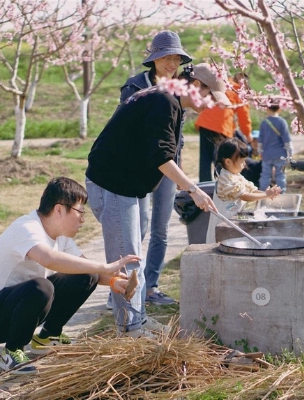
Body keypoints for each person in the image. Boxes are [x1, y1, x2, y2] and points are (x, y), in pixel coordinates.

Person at [86, 63, 228, 338]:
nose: (211, 105)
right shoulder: (164, 101)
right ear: (196, 86)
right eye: (211, 97)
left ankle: (136, 319)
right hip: (113, 183)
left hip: (128, 186)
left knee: (132, 255)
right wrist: (193, 190)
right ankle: (129, 329)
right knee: (126, 260)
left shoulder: (169, 100)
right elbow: (162, 156)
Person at [0, 177, 140, 374]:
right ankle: (12, 351)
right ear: (59, 210)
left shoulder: (61, 237)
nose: (83, 219)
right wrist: (105, 266)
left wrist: (113, 280)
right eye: (80, 212)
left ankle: (48, 337)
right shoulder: (27, 227)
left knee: (87, 274)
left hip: (18, 305)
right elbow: (48, 259)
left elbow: (89, 271)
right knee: (42, 287)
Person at [111, 30, 191, 307]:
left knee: (161, 228)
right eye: (166, 57)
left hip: (169, 165)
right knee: (139, 227)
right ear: (154, 59)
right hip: (140, 169)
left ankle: (151, 285)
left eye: (176, 58)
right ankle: (124, 286)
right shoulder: (135, 85)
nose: (171, 63)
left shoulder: (180, 86)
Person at [206, 137, 282, 243]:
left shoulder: (237, 176)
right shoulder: (225, 178)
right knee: (222, 245)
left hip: (233, 221)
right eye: (241, 161)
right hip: (222, 224)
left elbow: (251, 190)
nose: (244, 164)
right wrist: (265, 194)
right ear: (228, 162)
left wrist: (268, 194)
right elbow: (244, 195)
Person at [194, 71, 253, 182]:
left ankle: (204, 185)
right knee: (221, 158)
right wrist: (247, 133)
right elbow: (243, 115)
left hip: (205, 123)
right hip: (221, 127)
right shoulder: (239, 91)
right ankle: (223, 184)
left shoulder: (223, 84)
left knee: (205, 159)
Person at [257, 103, 293, 193]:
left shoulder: (264, 123)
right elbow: (287, 140)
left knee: (265, 175)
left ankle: (263, 194)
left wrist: (259, 152)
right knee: (280, 175)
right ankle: (281, 193)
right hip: (280, 154)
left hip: (267, 154)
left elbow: (260, 141)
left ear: (267, 109)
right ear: (279, 109)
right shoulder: (282, 122)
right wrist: (290, 152)